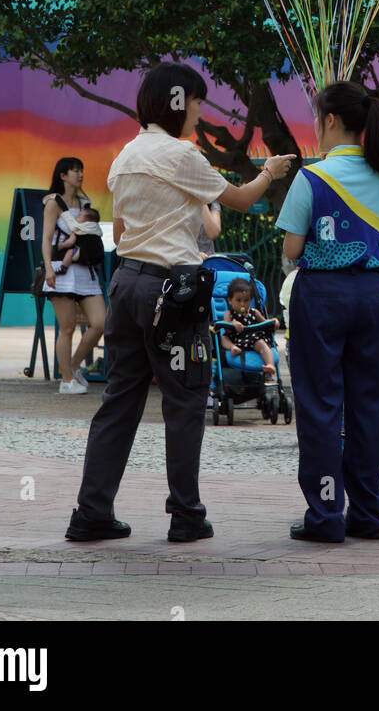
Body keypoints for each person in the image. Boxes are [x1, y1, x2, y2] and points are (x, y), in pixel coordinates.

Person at [65, 62, 295, 544]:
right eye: (194, 101)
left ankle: (91, 511)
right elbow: (238, 198)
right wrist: (270, 172)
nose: (198, 110)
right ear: (176, 102)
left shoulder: (126, 154)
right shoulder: (181, 155)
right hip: (171, 293)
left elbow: (123, 231)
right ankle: (186, 514)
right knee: (186, 399)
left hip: (125, 284)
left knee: (120, 398)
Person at [278, 80, 379, 543]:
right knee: (369, 407)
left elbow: (293, 248)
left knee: (320, 408)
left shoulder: (310, 177)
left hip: (321, 298)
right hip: (373, 296)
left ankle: (326, 516)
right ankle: (370, 514)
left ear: (330, 121)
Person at [41, 159, 107, 395]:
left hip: (85, 269)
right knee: (66, 327)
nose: (80, 175)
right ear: (63, 175)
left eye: (82, 170)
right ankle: (66, 379)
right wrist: (49, 268)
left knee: (101, 322)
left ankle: (74, 365)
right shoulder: (52, 202)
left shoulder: (84, 202)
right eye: (75, 171)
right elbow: (47, 238)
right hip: (61, 269)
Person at [220, 276, 280, 380]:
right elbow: (226, 329)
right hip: (236, 341)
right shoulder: (229, 314)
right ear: (230, 300)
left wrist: (274, 322)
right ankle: (232, 348)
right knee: (223, 338)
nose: (242, 304)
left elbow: (265, 323)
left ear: (251, 300)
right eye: (238, 300)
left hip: (253, 339)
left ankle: (270, 365)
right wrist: (233, 323)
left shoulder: (254, 312)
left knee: (262, 343)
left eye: (246, 300)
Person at [55, 207, 104, 272]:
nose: (75, 218)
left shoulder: (79, 228)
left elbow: (71, 242)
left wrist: (61, 246)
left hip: (85, 253)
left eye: (79, 216)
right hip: (99, 254)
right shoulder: (96, 229)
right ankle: (96, 269)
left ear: (87, 221)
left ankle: (63, 267)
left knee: (70, 252)